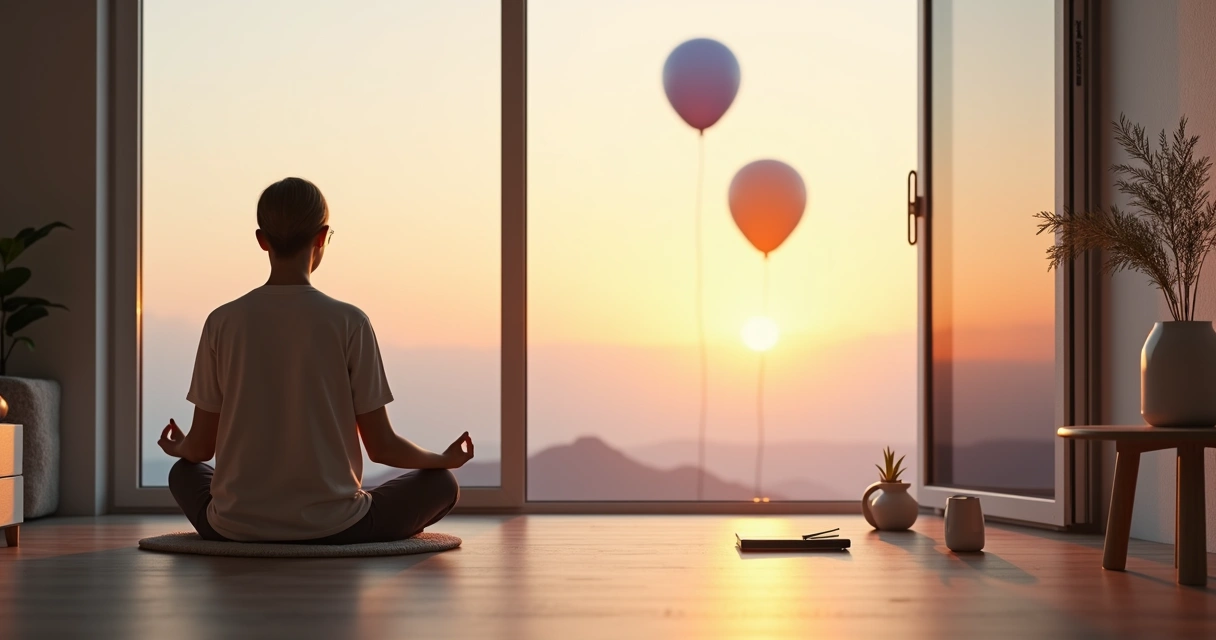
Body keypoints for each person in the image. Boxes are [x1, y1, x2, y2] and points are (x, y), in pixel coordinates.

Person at [159, 177, 473, 543]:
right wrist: (442, 460)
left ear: (262, 240)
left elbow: (199, 450)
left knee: (183, 473)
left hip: (234, 525)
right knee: (442, 485)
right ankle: (333, 521)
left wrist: (177, 447)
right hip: (338, 526)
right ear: (322, 237)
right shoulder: (350, 322)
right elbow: (382, 446)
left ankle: (247, 520)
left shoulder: (222, 322)